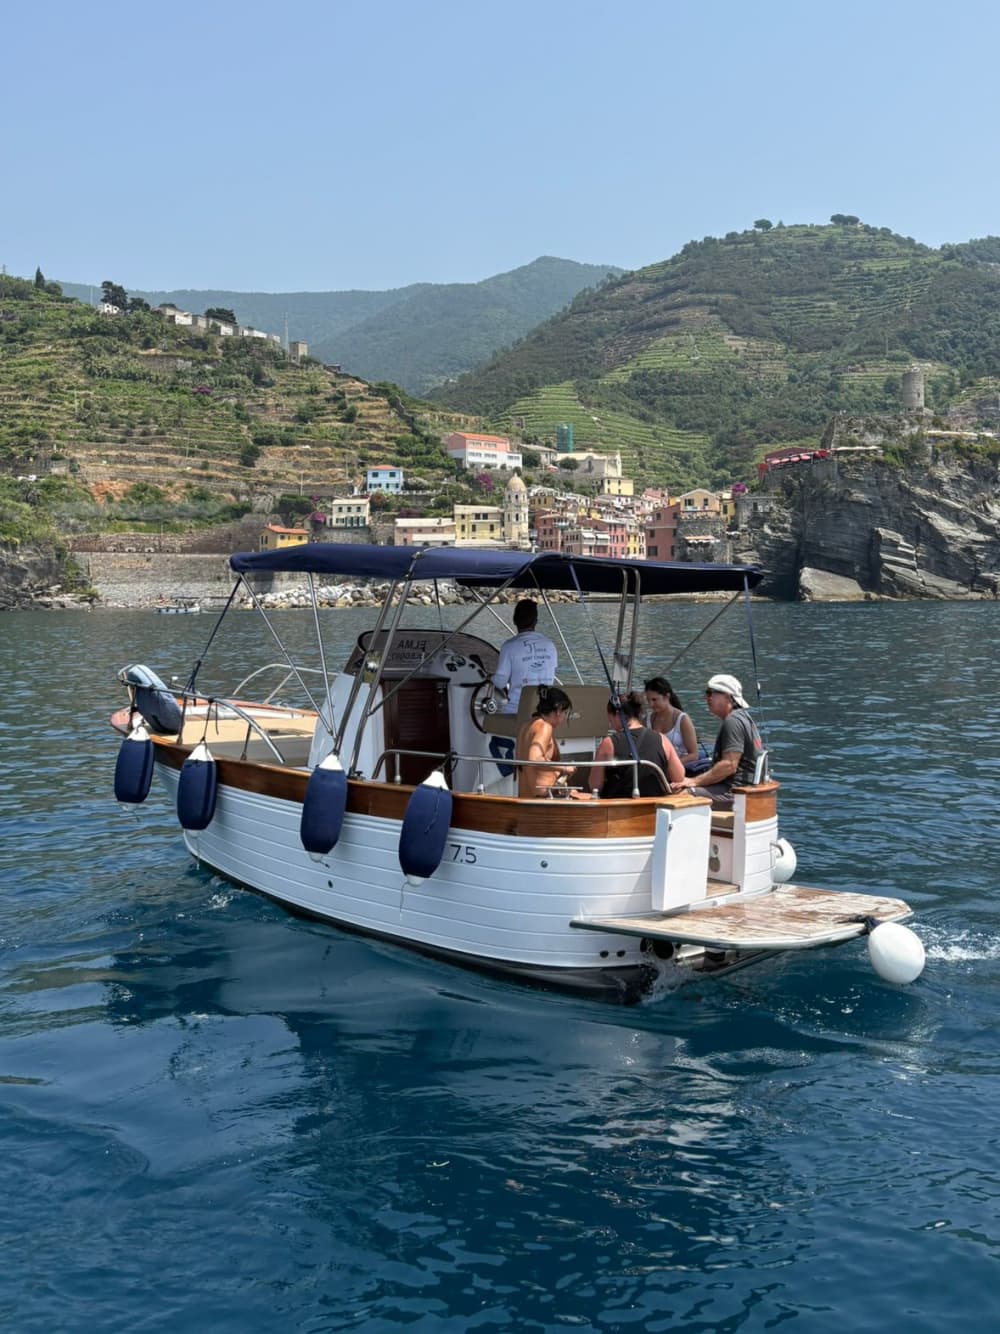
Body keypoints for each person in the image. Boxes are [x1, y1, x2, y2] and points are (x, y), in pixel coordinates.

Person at [670, 673, 763, 808]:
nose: (706, 698)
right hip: (740, 787)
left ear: (727, 696)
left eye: (710, 693)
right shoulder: (743, 717)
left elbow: (729, 765)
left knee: (679, 796)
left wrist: (693, 782)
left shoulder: (733, 721)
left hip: (734, 791)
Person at [488, 599, 558, 775]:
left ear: (514, 620)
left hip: (516, 712)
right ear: (535, 621)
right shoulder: (550, 646)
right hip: (546, 712)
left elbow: (501, 682)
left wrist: (489, 678)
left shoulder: (510, 647)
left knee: (485, 726)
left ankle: (504, 773)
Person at [589, 692, 684, 799]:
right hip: (654, 808)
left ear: (616, 714)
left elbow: (595, 785)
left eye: (610, 719)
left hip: (619, 808)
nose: (611, 724)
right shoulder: (662, 739)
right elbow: (679, 777)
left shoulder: (608, 743)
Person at [514, 687, 575, 798]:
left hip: (524, 797)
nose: (564, 717)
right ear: (558, 710)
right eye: (565, 713)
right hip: (542, 799)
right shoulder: (545, 727)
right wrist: (564, 767)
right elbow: (535, 758)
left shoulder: (526, 725)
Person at [644, 675, 699, 768]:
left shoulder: (682, 720)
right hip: (655, 769)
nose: (651, 704)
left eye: (654, 699)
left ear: (667, 696)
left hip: (680, 769)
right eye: (648, 700)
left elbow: (694, 755)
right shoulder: (646, 720)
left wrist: (671, 765)